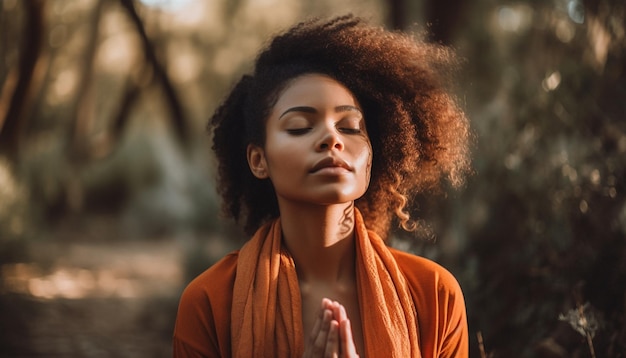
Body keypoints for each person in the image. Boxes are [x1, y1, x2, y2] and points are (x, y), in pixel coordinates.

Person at [173, 14, 471, 358]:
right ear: (259, 160)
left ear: (371, 157)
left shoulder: (433, 294)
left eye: (350, 127)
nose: (331, 138)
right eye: (300, 127)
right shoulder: (209, 302)